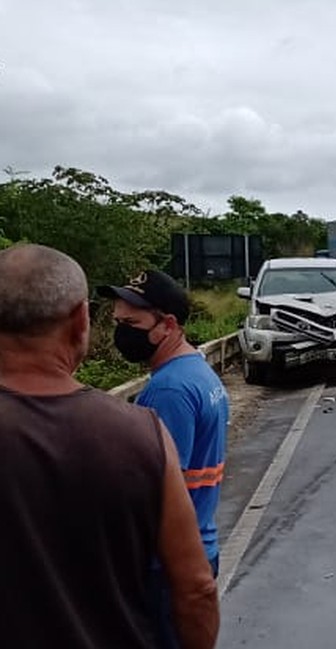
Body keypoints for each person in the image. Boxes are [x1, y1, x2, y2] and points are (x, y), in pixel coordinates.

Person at [0, 244, 219, 649]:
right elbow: (196, 588)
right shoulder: (139, 432)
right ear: (80, 320)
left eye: (128, 321)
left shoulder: (168, 392)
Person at [97, 269, 229, 648]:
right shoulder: (197, 370)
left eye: (131, 324)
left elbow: (156, 490)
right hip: (199, 546)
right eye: (117, 322)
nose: (121, 332)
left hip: (168, 564)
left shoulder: (168, 390)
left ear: (168, 325)